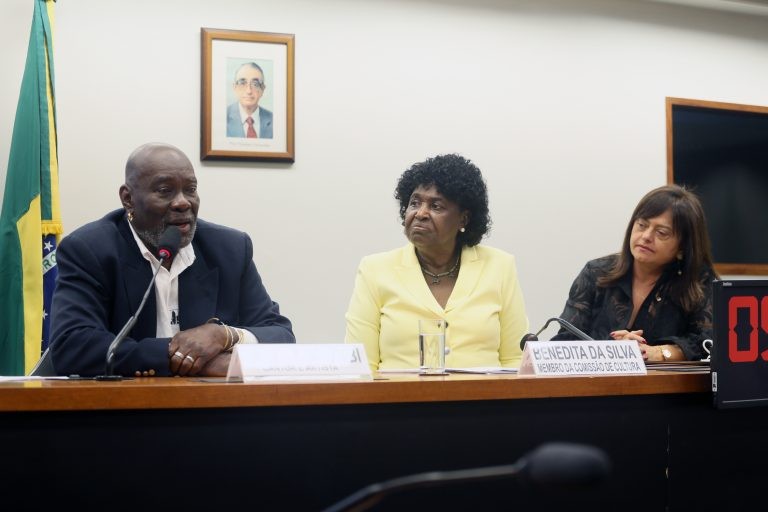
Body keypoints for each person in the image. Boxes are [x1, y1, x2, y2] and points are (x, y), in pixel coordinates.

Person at [50, 142, 293, 377]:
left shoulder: (229, 249)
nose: (182, 202)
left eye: (190, 189)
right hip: (123, 409)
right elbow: (73, 346)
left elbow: (280, 335)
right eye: (165, 191)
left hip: (214, 408)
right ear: (128, 199)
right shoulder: (90, 250)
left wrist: (223, 336)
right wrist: (188, 359)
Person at [345, 154, 530, 371]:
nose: (420, 213)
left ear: (464, 219)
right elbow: (361, 367)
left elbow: (514, 361)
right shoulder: (375, 269)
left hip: (483, 401)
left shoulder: (499, 266)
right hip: (399, 401)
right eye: (414, 203)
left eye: (436, 206)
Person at [552, 184, 717, 362]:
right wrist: (613, 349)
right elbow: (564, 341)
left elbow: (711, 341)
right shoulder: (596, 273)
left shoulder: (699, 281)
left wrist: (660, 352)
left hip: (667, 388)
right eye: (641, 225)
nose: (646, 236)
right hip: (597, 387)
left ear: (683, 247)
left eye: (661, 233)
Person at [226, 62, 273, 139]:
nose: (249, 91)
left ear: (262, 89)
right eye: (242, 83)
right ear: (235, 88)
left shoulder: (274, 120)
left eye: (255, 84)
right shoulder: (223, 118)